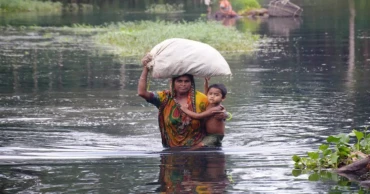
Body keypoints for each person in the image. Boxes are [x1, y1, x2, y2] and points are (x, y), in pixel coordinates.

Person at [138, 54, 223, 148]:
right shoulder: (165, 98)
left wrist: (224, 115)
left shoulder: (202, 99)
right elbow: (142, 93)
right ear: (173, 83)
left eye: (187, 81)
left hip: (197, 151)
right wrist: (146, 68)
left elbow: (216, 116)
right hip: (170, 150)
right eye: (179, 81)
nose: (183, 84)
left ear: (191, 83)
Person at [180, 79, 227, 149]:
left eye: (216, 95)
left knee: (197, 147)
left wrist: (185, 109)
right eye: (210, 94)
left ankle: (187, 152)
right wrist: (206, 83)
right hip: (207, 134)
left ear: (223, 98)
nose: (212, 96)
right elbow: (206, 95)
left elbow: (198, 116)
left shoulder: (216, 109)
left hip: (215, 136)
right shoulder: (210, 103)